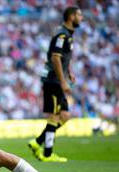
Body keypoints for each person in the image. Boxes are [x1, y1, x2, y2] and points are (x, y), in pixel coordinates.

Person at [28, 6, 84, 162]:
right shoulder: (62, 35)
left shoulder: (68, 35)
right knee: (54, 115)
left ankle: (37, 141)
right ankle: (47, 154)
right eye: (79, 15)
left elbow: (63, 58)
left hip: (57, 79)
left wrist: (69, 71)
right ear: (71, 17)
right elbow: (55, 58)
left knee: (65, 115)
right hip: (53, 80)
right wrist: (63, 81)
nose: (82, 18)